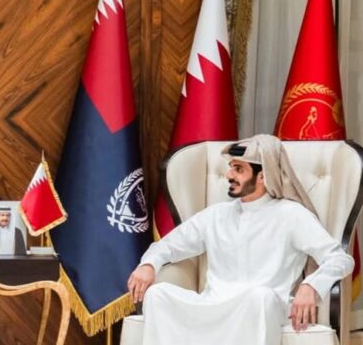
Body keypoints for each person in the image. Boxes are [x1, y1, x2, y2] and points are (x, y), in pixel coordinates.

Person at [126, 134, 354, 345]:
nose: (229, 175)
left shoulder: (292, 215)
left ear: (263, 176)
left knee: (259, 296)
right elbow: (168, 245)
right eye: (230, 168)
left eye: (238, 169)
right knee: (158, 294)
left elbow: (340, 259)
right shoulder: (216, 214)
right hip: (214, 304)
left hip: (262, 307)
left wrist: (311, 285)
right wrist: (149, 264)